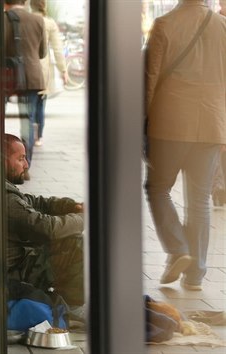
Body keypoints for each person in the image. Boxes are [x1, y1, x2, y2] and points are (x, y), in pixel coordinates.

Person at [144, 0, 226, 291]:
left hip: (171, 121)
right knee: (200, 200)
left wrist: (143, 117)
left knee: (157, 188)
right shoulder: (222, 25)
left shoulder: (165, 24)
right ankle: (196, 275)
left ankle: (178, 249)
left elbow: (151, 77)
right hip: (212, 125)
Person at [3, 134, 85, 307]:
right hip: (13, 272)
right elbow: (47, 228)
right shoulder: (5, 198)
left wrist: (70, 206)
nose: (26, 165)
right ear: (1, 161)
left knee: (67, 239)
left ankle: (63, 301)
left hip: (14, 262)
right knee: (75, 246)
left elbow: (32, 201)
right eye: (21, 159)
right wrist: (83, 219)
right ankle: (71, 309)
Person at [3, 0, 46, 179]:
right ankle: (24, 166)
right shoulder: (38, 20)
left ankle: (3, 162)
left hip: (6, 76)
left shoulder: (1, 20)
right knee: (27, 121)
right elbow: (42, 52)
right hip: (32, 76)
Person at [30, 0, 68, 147]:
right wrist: (63, 70)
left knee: (30, 103)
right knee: (41, 103)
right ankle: (39, 137)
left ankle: (29, 134)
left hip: (28, 66)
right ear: (44, 6)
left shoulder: (27, 19)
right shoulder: (49, 23)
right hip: (43, 68)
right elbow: (58, 49)